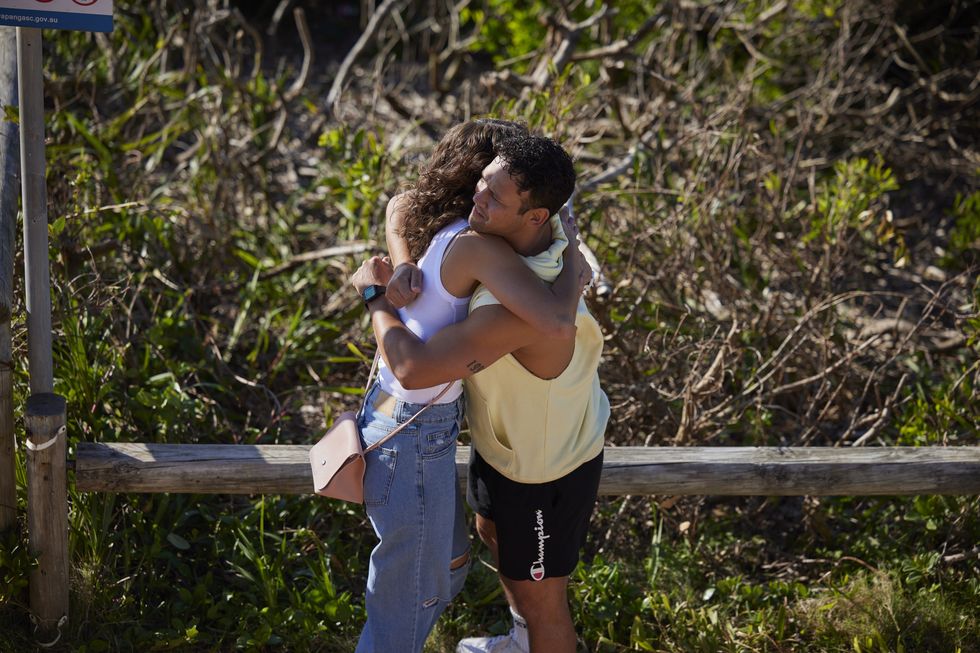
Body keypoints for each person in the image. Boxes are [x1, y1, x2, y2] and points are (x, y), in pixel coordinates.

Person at [352, 133, 609, 653]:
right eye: (479, 184)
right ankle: (520, 642)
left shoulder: (511, 305)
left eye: (493, 197)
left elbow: (413, 367)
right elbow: (402, 204)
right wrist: (403, 262)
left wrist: (375, 296)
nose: (478, 199)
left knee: (543, 602)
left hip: (544, 466)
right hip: (499, 445)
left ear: (534, 216)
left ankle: (533, 637)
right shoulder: (531, 229)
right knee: (495, 541)